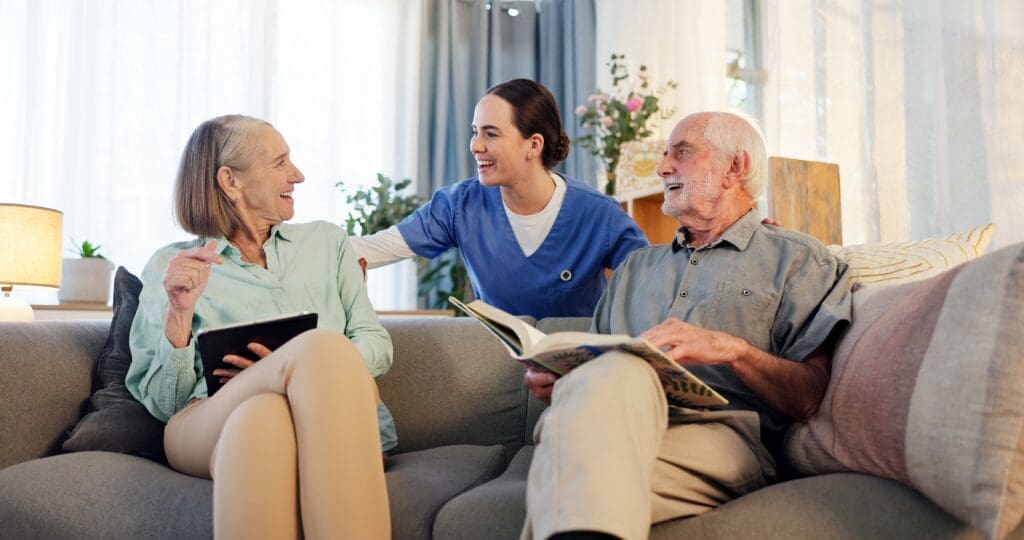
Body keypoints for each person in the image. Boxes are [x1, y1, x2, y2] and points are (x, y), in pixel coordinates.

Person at [520, 111, 853, 540]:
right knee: (585, 458)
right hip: (612, 425)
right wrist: (560, 378)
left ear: (735, 167)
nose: (662, 168)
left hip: (719, 437)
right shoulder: (635, 268)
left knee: (569, 463)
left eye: (681, 152)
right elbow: (593, 375)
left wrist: (732, 349)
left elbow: (808, 397)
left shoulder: (798, 260)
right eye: (664, 155)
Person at [126, 115, 394, 539]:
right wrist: (179, 311)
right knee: (320, 347)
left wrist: (293, 373)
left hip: (313, 421)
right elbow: (166, 403)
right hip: (201, 421)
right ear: (230, 181)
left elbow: (375, 343)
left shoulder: (328, 243)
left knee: (264, 417)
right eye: (280, 162)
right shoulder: (174, 266)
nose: (298, 175)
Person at [349, 79, 649, 319]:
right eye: (475, 132)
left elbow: (654, 283)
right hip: (497, 360)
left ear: (533, 145)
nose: (476, 146)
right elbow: (375, 248)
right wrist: (305, 242)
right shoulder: (459, 206)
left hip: (577, 366)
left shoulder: (599, 214)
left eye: (490, 134)